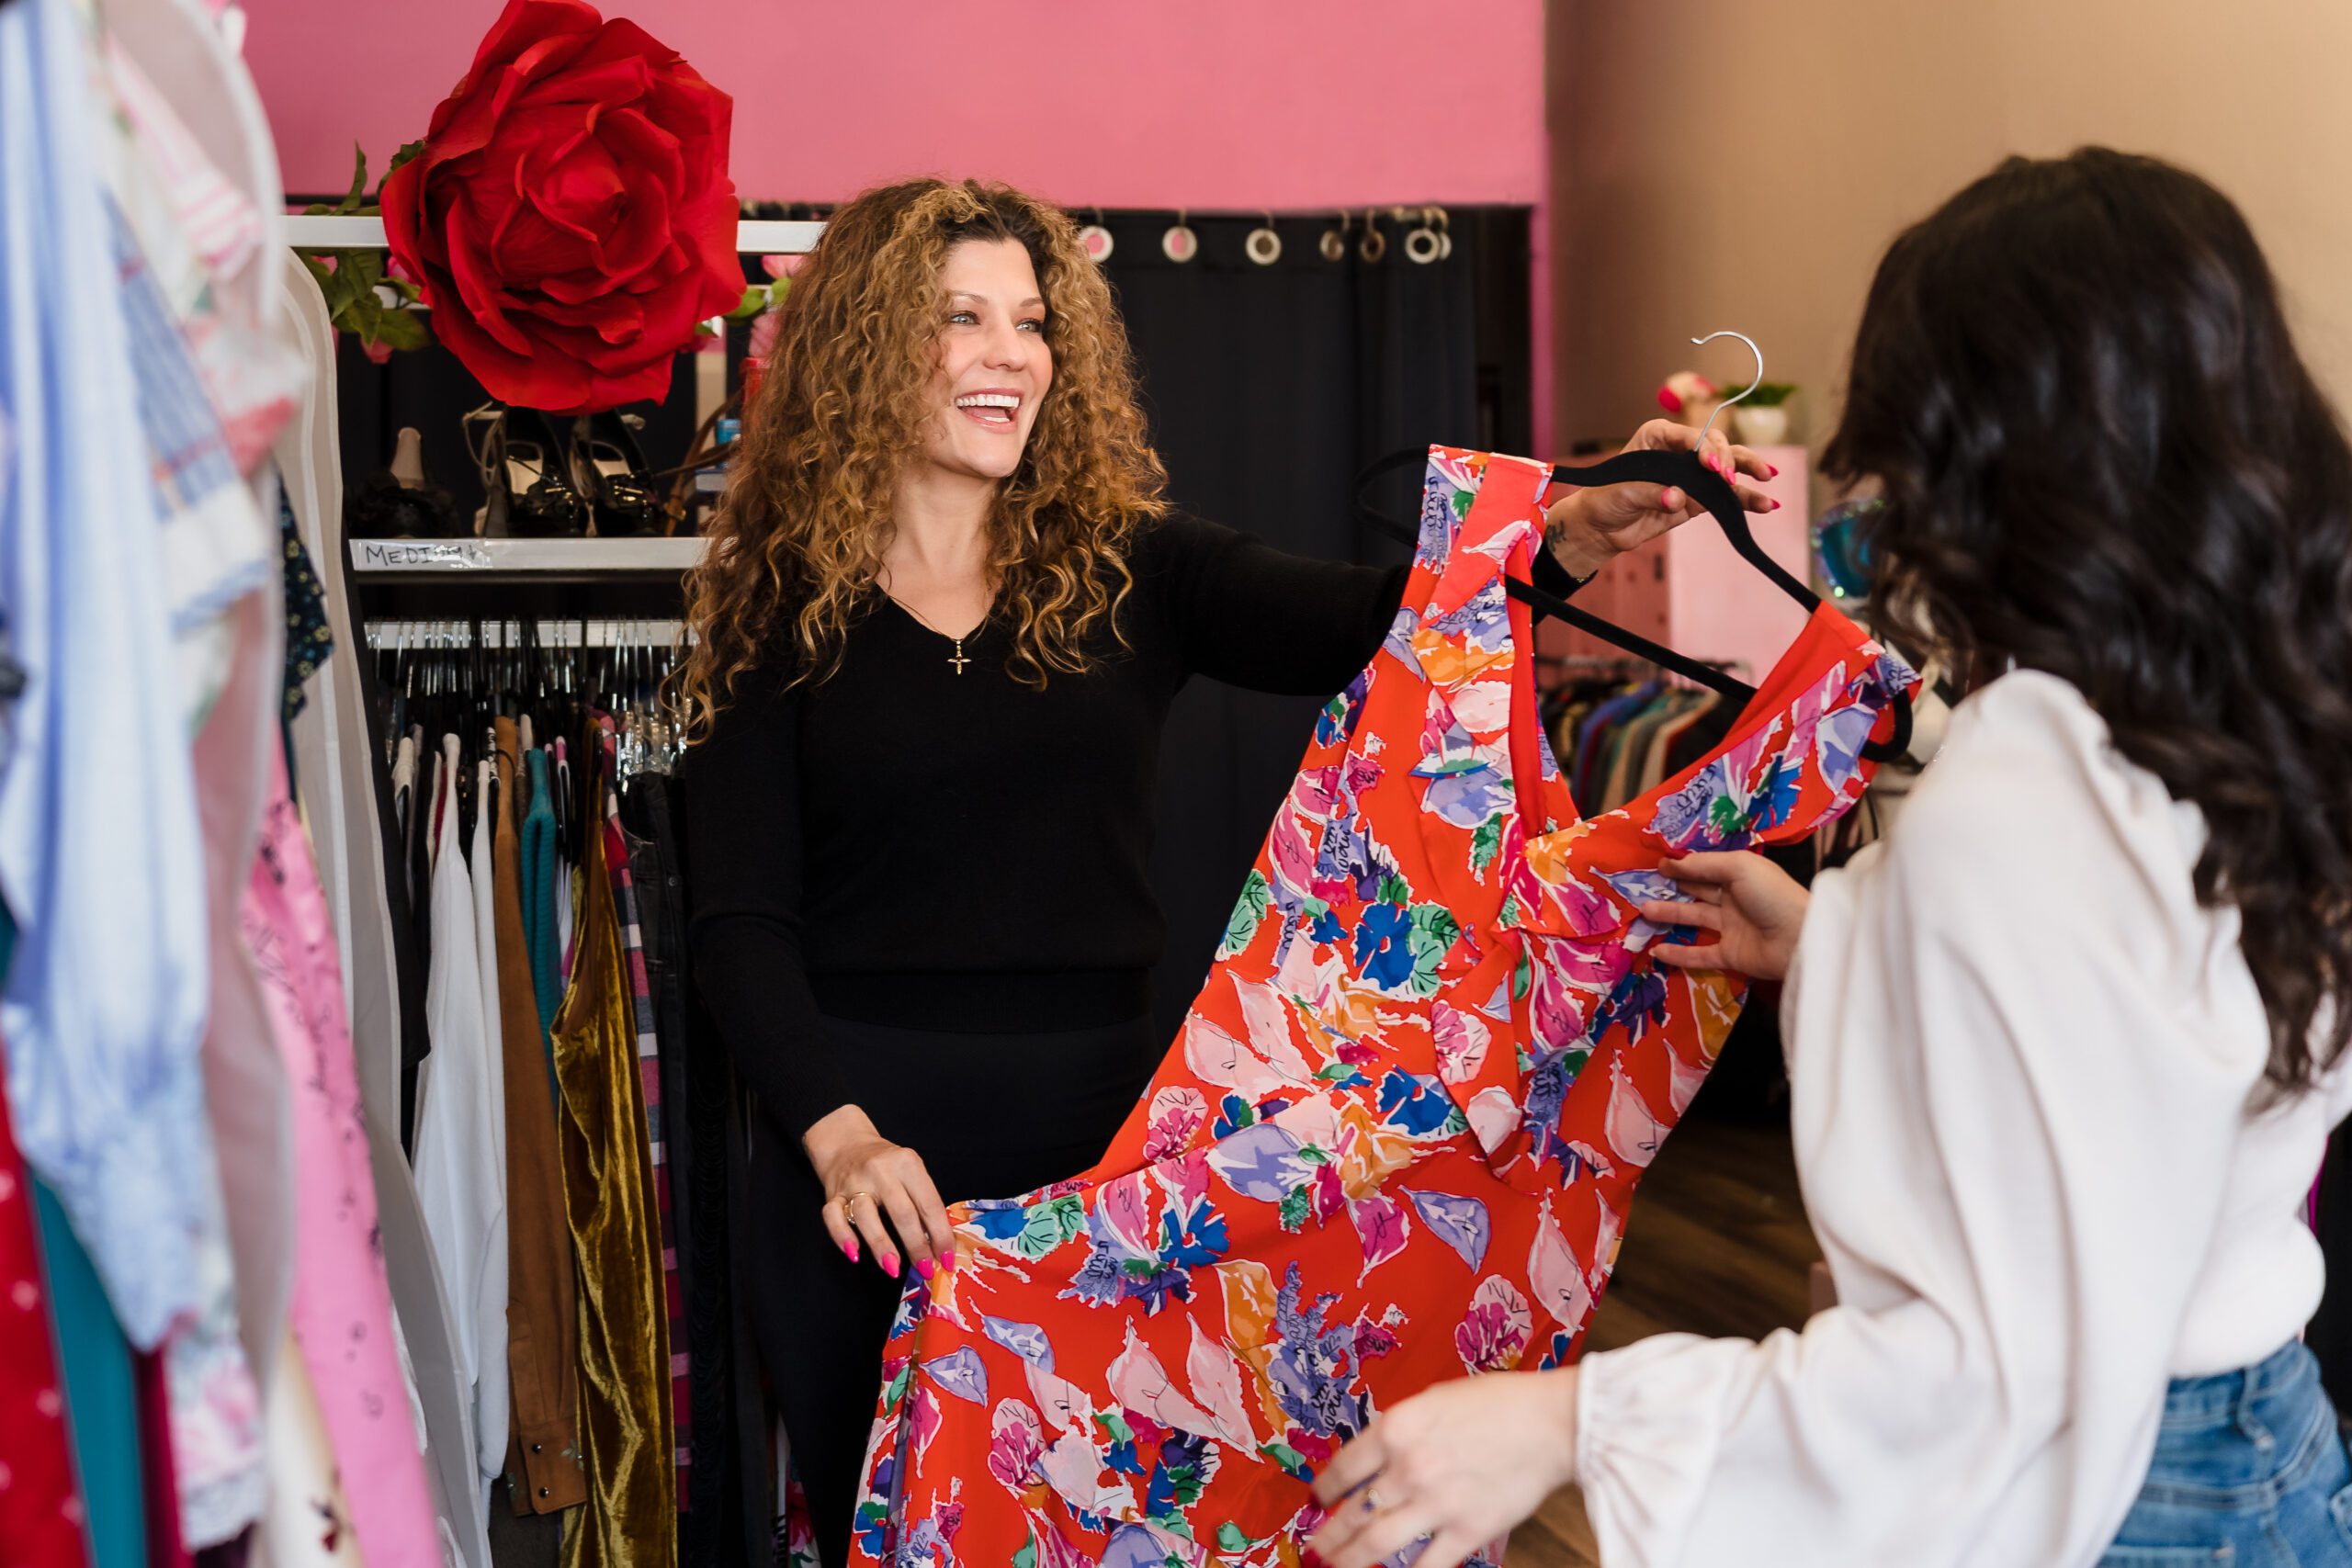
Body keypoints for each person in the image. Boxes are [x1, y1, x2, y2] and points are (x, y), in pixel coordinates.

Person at [676, 177, 1781, 1568]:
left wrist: (1560, 531)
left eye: (1030, 321)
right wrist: (838, 1136)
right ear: (865, 343)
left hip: (1103, 1161)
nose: (1009, 352)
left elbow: (1378, 625)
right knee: (888, 1531)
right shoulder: (773, 615)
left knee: (1104, 1526)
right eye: (960, 318)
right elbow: (737, 928)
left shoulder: (1128, 568)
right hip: (862, 1179)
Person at [1305, 148, 2352, 1568]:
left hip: (2112, 1499)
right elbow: (2143, 1052)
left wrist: (1565, 1423)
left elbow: (1985, 1378)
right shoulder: (2254, 724)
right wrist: (1838, 947)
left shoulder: (2025, 787)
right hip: (2275, 1442)